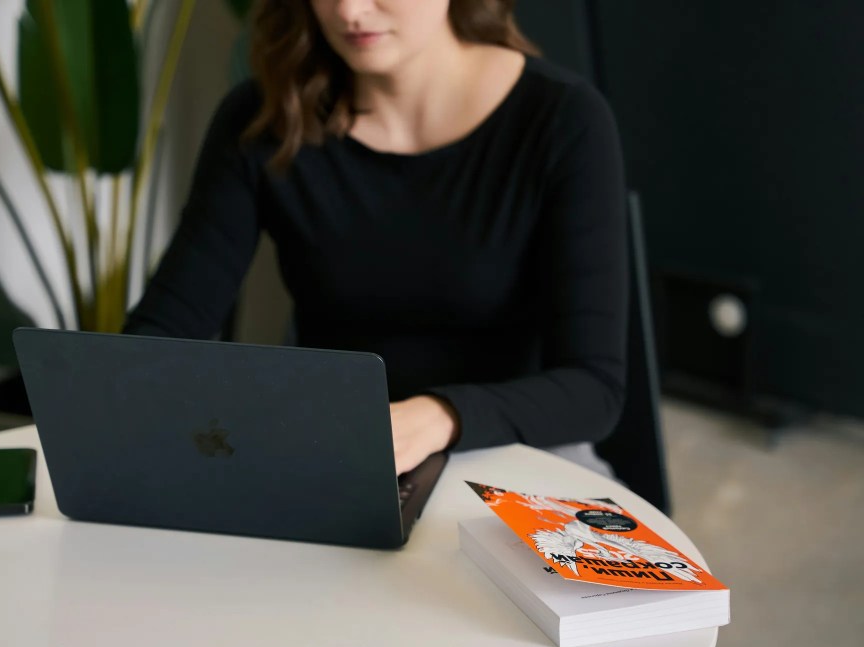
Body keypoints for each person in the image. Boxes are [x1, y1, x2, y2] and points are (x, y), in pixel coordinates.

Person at [124, 0, 628, 479]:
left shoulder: (563, 119)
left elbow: (592, 389)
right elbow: (163, 334)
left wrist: (438, 417)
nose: (349, 10)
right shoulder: (267, 118)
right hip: (334, 452)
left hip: (521, 455)